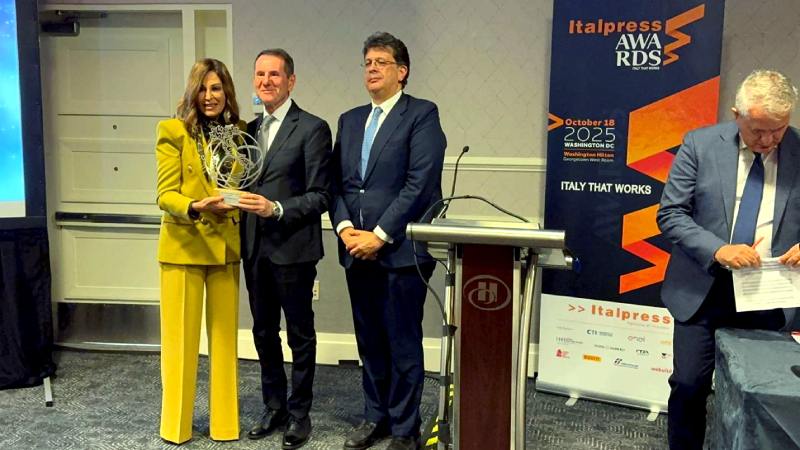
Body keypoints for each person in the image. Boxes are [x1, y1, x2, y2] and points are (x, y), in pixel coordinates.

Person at [657, 69, 800, 450]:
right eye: (758, 130)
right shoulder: (700, 145)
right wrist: (718, 250)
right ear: (737, 115)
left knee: (760, 391)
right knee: (688, 384)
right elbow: (671, 214)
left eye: (778, 130)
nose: (768, 140)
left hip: (769, 292)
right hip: (704, 288)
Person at [331, 32, 446, 450]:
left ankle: (404, 429)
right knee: (370, 341)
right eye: (367, 62)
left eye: (381, 62)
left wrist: (379, 235)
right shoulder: (350, 119)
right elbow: (337, 184)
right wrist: (345, 228)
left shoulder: (421, 115)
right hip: (355, 250)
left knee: (402, 343)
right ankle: (374, 417)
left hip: (400, 251)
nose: (372, 69)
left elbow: (420, 184)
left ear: (402, 71)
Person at [237, 48, 332, 450]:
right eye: (260, 74)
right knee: (262, 332)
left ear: (291, 81)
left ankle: (299, 413)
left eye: (274, 74)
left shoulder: (312, 128)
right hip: (254, 249)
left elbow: (321, 195)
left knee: (299, 335)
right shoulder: (247, 130)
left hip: (293, 250)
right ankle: (273, 406)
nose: (266, 81)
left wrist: (276, 208)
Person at [154, 58, 244, 444]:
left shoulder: (240, 133)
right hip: (184, 246)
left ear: (227, 92)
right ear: (193, 92)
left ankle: (225, 426)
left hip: (225, 248)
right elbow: (165, 194)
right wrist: (195, 205)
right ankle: (176, 427)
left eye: (217, 88)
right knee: (180, 345)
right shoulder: (172, 131)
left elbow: (241, 186)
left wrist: (230, 203)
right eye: (203, 89)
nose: (209, 96)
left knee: (224, 343)